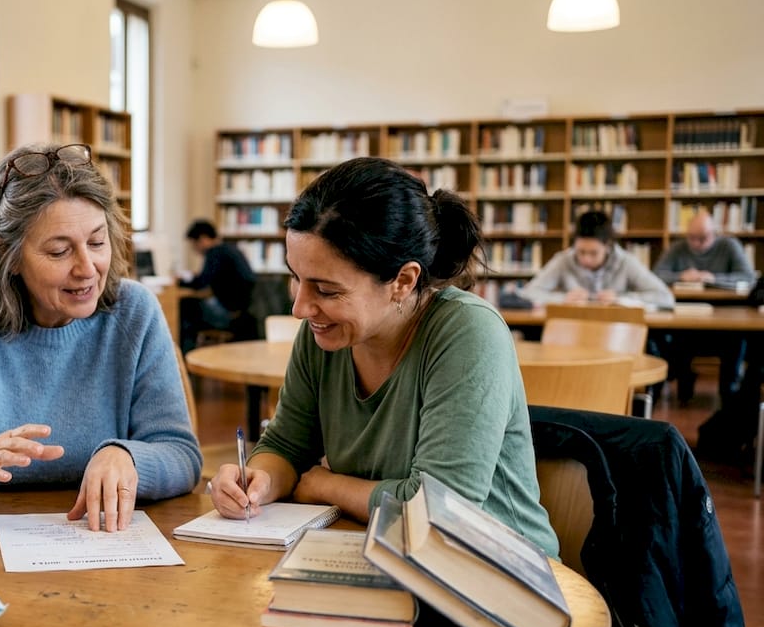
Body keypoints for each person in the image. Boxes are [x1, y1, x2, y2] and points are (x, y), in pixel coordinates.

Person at [207, 157, 559, 557]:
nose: (301, 309)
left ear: (403, 281)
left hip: (500, 575)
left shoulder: (468, 332)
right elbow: (286, 446)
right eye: (295, 278)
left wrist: (326, 485)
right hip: (381, 550)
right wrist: (259, 480)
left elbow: (438, 511)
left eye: (326, 290)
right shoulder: (325, 334)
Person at [0, 142, 202, 531]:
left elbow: (182, 456)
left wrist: (127, 457)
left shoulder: (134, 310)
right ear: (8, 255)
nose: (87, 269)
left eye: (97, 242)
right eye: (58, 251)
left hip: (103, 542)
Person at [653, 209, 753, 403]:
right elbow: (656, 275)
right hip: (686, 319)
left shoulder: (729, 246)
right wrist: (680, 276)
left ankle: (729, 394)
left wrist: (713, 278)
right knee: (664, 336)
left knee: (738, 339)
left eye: (703, 238)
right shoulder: (677, 248)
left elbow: (748, 277)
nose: (697, 243)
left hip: (726, 320)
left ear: (715, 233)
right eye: (692, 238)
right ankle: (683, 382)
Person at [519, 211, 674, 308]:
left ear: (607, 246)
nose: (586, 259)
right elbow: (529, 293)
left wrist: (620, 299)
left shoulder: (626, 262)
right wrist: (563, 299)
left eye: (593, 253)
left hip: (615, 333)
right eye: (581, 252)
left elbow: (665, 297)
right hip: (572, 332)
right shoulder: (563, 260)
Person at [177, 219, 257, 352]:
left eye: (194, 244)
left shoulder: (215, 253)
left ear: (202, 239)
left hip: (228, 315)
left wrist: (180, 281)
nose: (194, 249)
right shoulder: (229, 248)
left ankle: (186, 354)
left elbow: (202, 283)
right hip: (241, 312)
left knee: (185, 306)